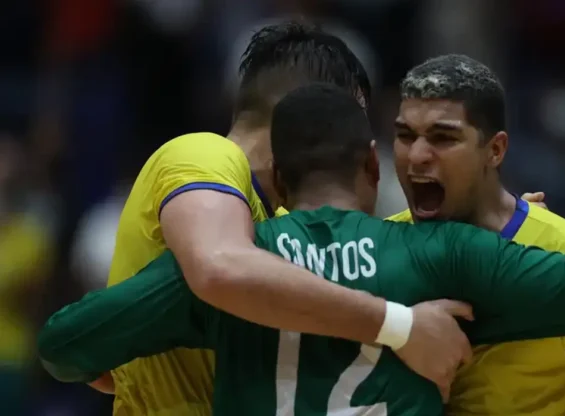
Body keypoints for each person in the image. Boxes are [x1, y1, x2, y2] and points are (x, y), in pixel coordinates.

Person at [39, 84, 565, 415]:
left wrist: (122, 361)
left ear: (275, 180)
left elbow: (64, 344)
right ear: (372, 164)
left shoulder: (235, 272)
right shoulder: (438, 253)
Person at [104, 22, 472, 415]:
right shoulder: (203, 156)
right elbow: (220, 269)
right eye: (347, 120)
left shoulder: (279, 222)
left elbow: (101, 366)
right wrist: (398, 326)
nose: (355, 143)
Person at [386, 54, 565, 416]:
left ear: (495, 150)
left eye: (443, 137)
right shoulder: (378, 248)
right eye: (405, 136)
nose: (416, 155)